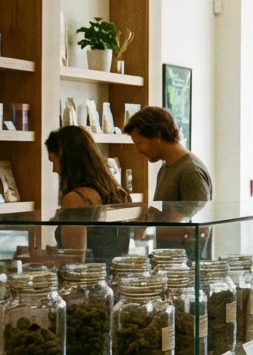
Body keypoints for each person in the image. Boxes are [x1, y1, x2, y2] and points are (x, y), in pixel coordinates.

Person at [45, 125, 131, 259]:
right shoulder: (118, 193)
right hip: (112, 275)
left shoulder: (75, 199)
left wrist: (39, 259)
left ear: (61, 151)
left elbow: (75, 261)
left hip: (88, 278)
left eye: (53, 161)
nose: (54, 170)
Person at [124, 106, 212, 202]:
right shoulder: (165, 168)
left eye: (140, 143)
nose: (137, 150)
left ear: (157, 135)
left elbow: (196, 215)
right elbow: (159, 212)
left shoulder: (191, 172)